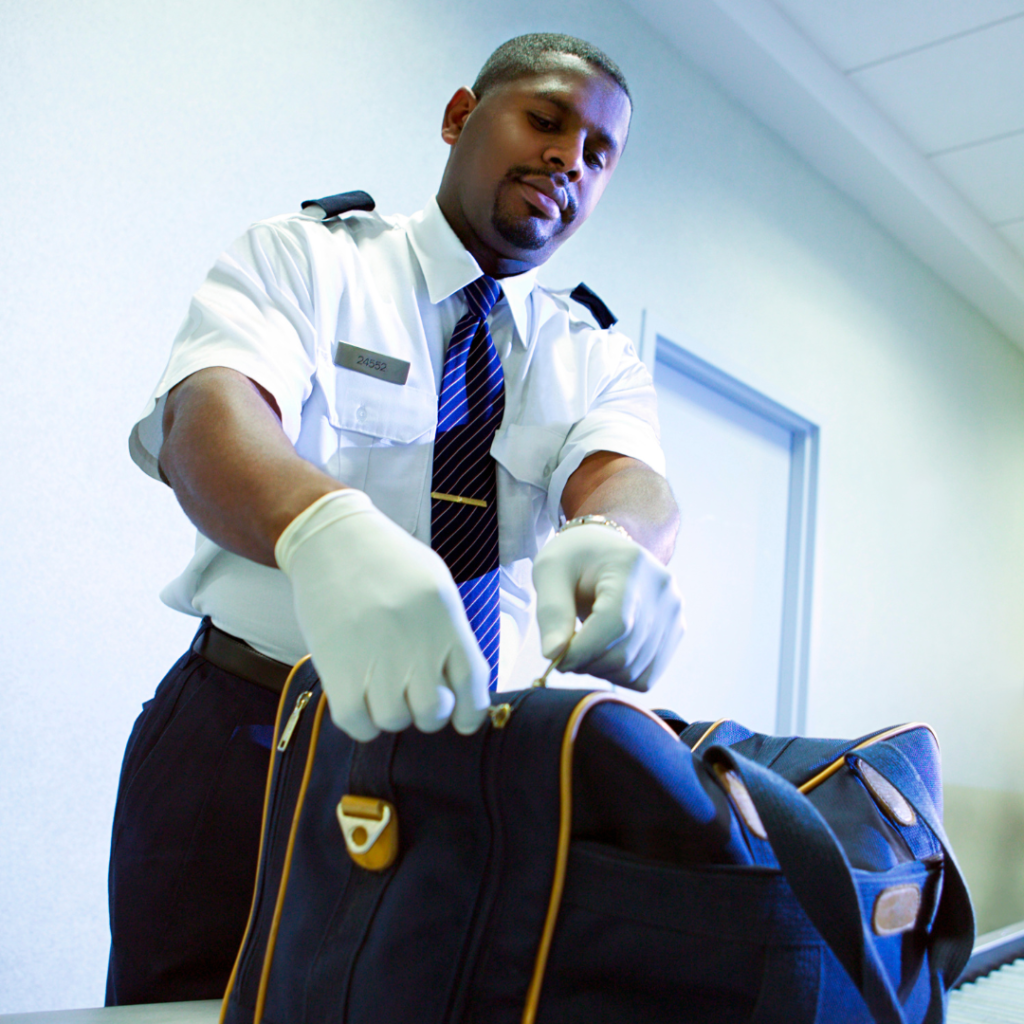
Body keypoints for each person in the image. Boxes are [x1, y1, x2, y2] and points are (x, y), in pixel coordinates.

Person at [106, 32, 685, 1006]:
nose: (565, 161)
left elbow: (625, 473)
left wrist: (615, 544)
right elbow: (206, 418)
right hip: (249, 734)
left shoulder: (588, 349)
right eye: (544, 121)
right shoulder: (309, 259)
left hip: (466, 768)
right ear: (461, 117)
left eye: (598, 155)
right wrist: (321, 527)